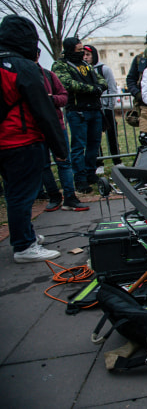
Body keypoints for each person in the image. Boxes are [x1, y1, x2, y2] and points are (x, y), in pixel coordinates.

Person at [0, 15, 69, 262]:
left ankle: (24, 234)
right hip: (22, 139)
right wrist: (59, 147)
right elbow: (43, 111)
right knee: (22, 195)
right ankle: (24, 246)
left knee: (13, 192)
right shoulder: (24, 67)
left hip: (6, 142)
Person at [52, 37, 107, 193]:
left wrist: (99, 87)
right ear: (70, 50)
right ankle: (80, 178)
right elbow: (67, 83)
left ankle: (90, 173)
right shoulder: (61, 65)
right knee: (78, 146)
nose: (82, 53)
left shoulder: (85, 65)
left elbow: (101, 80)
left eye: (83, 50)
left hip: (94, 109)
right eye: (79, 50)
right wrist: (92, 89)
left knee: (94, 144)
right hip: (77, 111)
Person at [37, 49, 88, 212]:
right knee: (43, 164)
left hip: (56, 125)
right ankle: (54, 196)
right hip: (37, 127)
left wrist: (51, 99)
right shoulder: (24, 75)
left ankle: (70, 197)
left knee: (64, 161)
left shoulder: (49, 75)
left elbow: (63, 97)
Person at [84, 44, 122, 167]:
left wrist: (109, 106)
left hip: (105, 108)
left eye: (88, 55)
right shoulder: (82, 70)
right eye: (83, 55)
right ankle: (98, 162)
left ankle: (117, 160)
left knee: (112, 136)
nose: (85, 57)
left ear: (94, 55)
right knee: (94, 138)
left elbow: (112, 88)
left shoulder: (104, 69)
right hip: (91, 108)